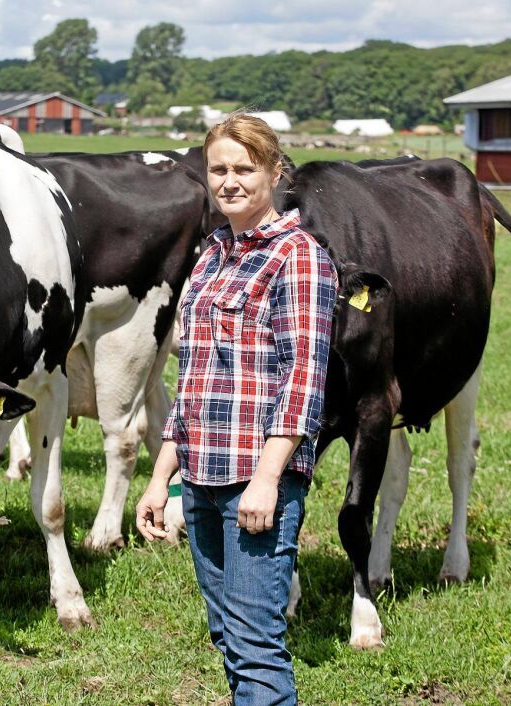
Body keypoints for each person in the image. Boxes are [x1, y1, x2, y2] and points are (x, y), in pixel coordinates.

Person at [135, 113, 337, 705]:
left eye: (244, 169)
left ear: (275, 172)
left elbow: (303, 381)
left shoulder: (298, 257)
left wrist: (268, 480)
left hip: (255, 481)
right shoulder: (211, 256)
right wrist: (161, 479)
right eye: (218, 169)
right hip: (200, 479)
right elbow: (192, 379)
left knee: (255, 642)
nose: (229, 181)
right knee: (227, 635)